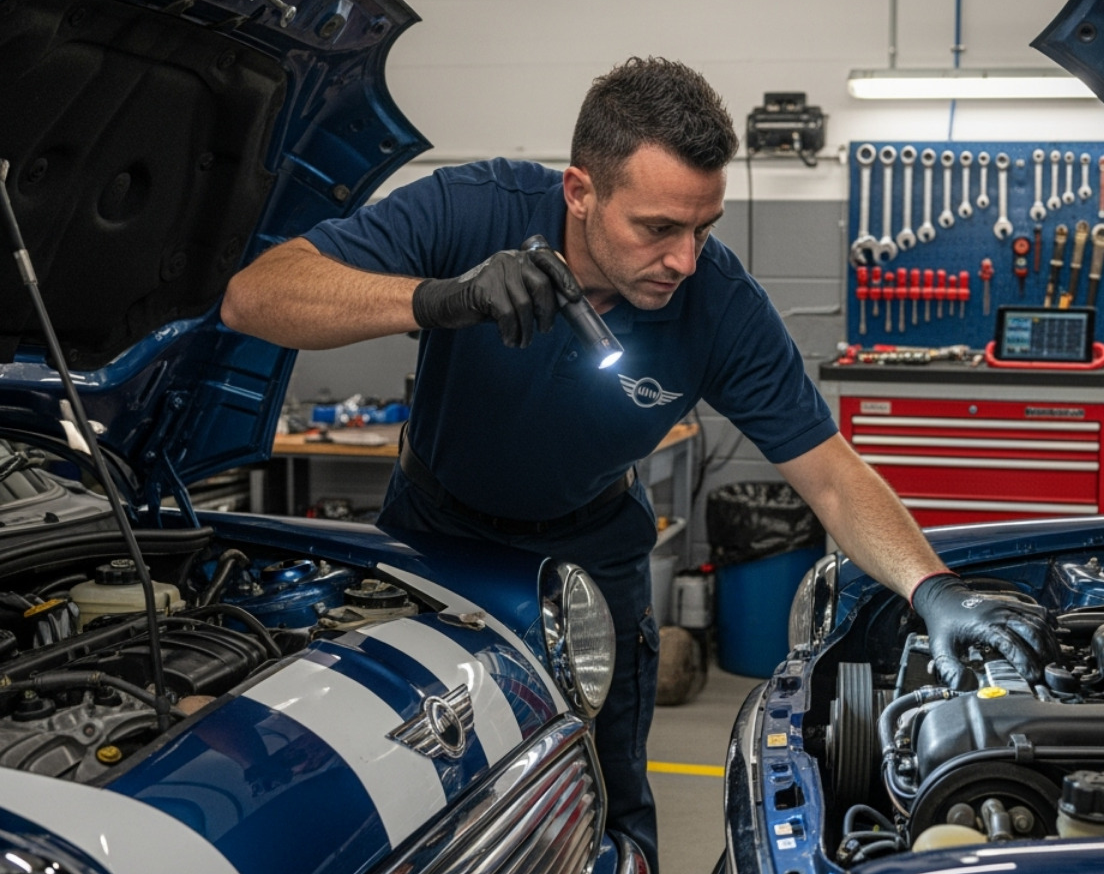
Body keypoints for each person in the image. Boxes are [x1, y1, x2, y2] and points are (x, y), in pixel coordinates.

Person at [221, 56, 1055, 871]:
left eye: (704, 228)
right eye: (658, 228)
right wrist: (439, 298)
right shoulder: (474, 208)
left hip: (593, 558)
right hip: (434, 541)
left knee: (608, 792)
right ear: (579, 192)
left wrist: (931, 585)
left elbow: (831, 472)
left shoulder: (719, 304)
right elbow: (256, 295)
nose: (684, 259)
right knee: (422, 774)